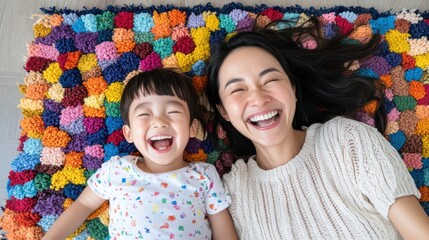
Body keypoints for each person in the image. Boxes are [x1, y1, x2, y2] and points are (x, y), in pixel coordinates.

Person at [205, 16, 429, 239]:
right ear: (224, 110)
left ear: (292, 88)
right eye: (237, 90)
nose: (258, 98)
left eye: (270, 80)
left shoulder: (347, 141)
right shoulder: (233, 193)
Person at [43, 68, 238, 240]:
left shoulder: (204, 176)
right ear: (128, 133)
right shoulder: (117, 170)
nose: (159, 121)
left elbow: (225, 234)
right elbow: (83, 206)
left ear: (192, 127)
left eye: (172, 112)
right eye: (145, 114)